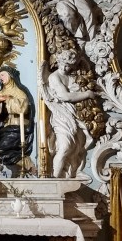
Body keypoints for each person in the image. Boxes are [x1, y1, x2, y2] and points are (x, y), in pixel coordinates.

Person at [44, 48, 96, 178]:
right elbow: (65, 96)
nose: (66, 68)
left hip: (75, 115)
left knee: (75, 147)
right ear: (59, 61)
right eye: (65, 65)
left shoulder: (71, 76)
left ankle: (69, 173)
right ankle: (54, 179)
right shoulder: (54, 77)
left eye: (70, 66)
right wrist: (87, 94)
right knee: (65, 146)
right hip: (62, 115)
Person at [0, 66, 32, 174]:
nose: (1, 78)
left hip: (16, 128)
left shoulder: (19, 92)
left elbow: (23, 108)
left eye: (3, 75)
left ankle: (25, 162)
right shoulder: (0, 92)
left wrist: (8, 100)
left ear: (10, 76)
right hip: (3, 129)